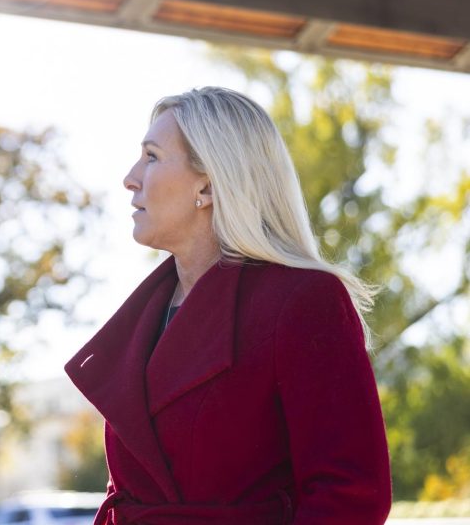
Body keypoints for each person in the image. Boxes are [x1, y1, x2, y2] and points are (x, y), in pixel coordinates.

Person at [64, 87, 391, 524]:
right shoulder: (143, 317)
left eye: (152, 156)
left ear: (208, 184)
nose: (131, 177)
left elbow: (351, 495)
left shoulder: (304, 301)